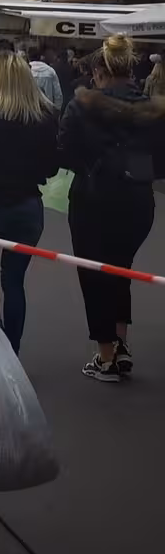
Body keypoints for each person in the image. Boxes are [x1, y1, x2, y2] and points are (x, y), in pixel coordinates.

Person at [57, 33, 163, 381]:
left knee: (93, 273)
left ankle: (106, 355)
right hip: (137, 200)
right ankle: (121, 342)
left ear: (100, 69)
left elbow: (65, 152)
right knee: (122, 269)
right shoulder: (153, 110)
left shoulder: (81, 107)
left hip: (93, 198)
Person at [0, 51, 61, 351]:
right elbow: (51, 167)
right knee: (15, 282)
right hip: (27, 207)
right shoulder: (44, 119)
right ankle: (12, 349)